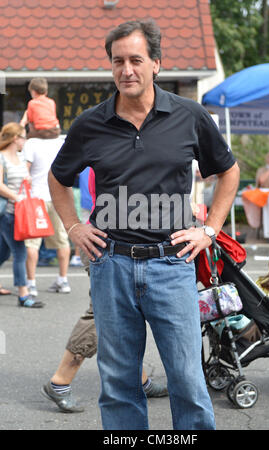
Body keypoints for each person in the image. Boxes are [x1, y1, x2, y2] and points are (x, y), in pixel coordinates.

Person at [48, 19, 240, 430]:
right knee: (118, 383)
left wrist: (209, 230)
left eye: (136, 60)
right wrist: (74, 227)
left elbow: (229, 172)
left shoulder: (189, 116)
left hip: (171, 265)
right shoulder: (90, 124)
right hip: (110, 265)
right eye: (118, 61)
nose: (126, 70)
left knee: (188, 379)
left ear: (156, 63)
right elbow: (58, 177)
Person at [42, 166, 168, 413]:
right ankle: (59, 381)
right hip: (106, 243)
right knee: (100, 315)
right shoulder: (104, 148)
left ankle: (140, 380)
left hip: (115, 242)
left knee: (128, 312)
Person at [0, 122, 44, 308]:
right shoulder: (1, 158)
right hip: (7, 212)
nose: (25, 141)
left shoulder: (20, 157)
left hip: (20, 212)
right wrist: (17, 197)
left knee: (4, 251)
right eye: (23, 137)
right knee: (20, 252)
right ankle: (23, 294)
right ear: (15, 138)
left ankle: (23, 293)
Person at [23, 136, 71, 296]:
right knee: (62, 239)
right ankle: (63, 280)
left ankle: (31, 284)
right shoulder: (62, 140)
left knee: (32, 242)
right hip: (57, 196)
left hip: (36, 198)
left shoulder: (32, 143)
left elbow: (25, 171)